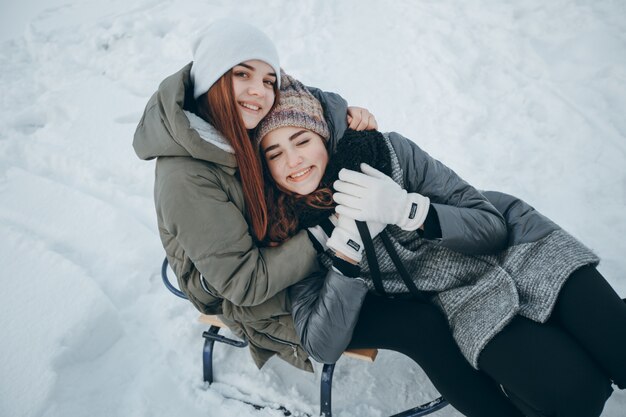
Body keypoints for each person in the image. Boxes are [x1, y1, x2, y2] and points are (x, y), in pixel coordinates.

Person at [133, 19, 526, 417]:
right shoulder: (187, 176)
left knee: (412, 280)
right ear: (211, 78)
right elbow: (242, 283)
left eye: (268, 79)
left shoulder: (238, 116)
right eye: (241, 74)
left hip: (280, 238)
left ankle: (513, 374)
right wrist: (328, 230)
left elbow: (298, 103)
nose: (260, 91)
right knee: (417, 324)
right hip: (248, 287)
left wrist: (342, 120)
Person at [255, 72, 626, 417]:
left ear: (323, 137)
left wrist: (408, 210)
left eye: (302, 140)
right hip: (463, 297)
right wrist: (346, 249)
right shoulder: (288, 230)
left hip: (522, 246)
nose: (293, 160)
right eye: (274, 154)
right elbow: (321, 344)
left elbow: (492, 227)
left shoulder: (388, 153)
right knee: (577, 396)